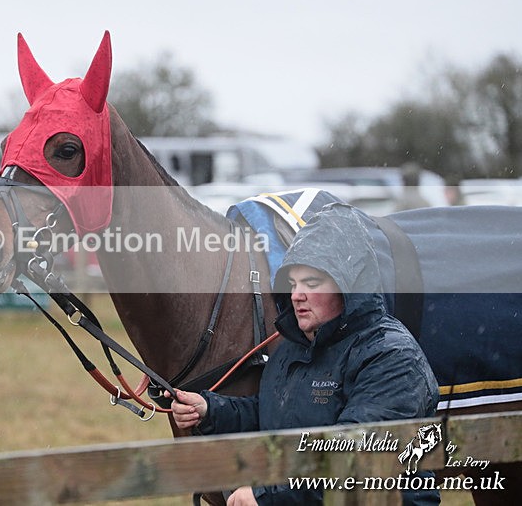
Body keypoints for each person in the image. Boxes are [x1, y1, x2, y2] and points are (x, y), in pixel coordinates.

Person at [168, 204, 440, 505]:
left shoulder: (392, 358)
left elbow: (352, 458)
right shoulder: (295, 347)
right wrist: (211, 409)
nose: (297, 295)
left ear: (347, 286)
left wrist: (266, 497)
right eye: (293, 284)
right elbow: (274, 414)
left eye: (311, 284)